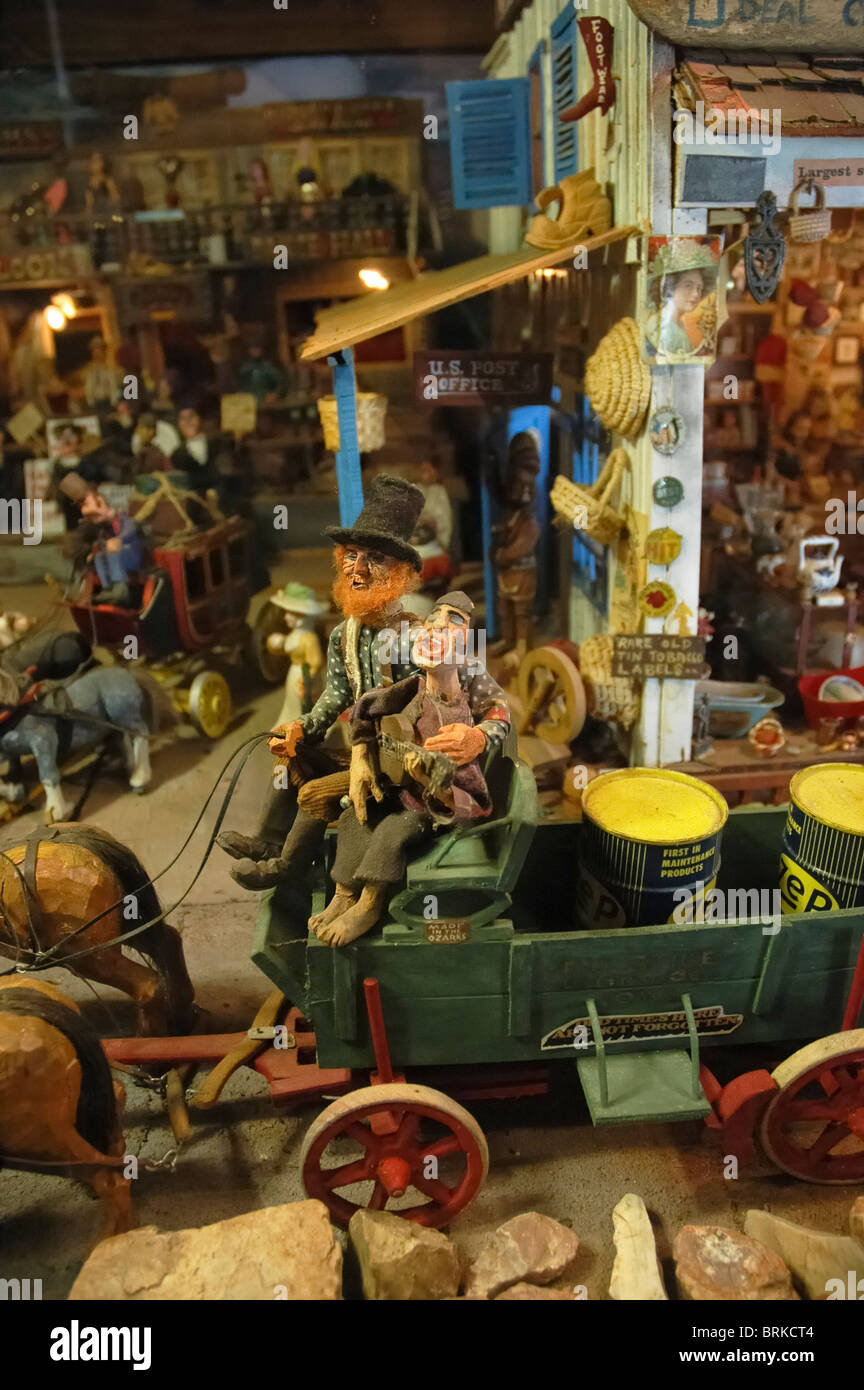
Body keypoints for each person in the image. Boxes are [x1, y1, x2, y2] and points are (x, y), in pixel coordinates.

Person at [312, 591, 506, 947]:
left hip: (432, 804)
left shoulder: (469, 683)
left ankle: (370, 903)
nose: (439, 626)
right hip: (401, 788)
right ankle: (344, 892)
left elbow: (498, 711)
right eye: (434, 619)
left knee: (391, 831)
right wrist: (361, 753)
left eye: (455, 622)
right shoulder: (414, 681)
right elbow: (366, 708)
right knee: (357, 814)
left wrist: (478, 736)